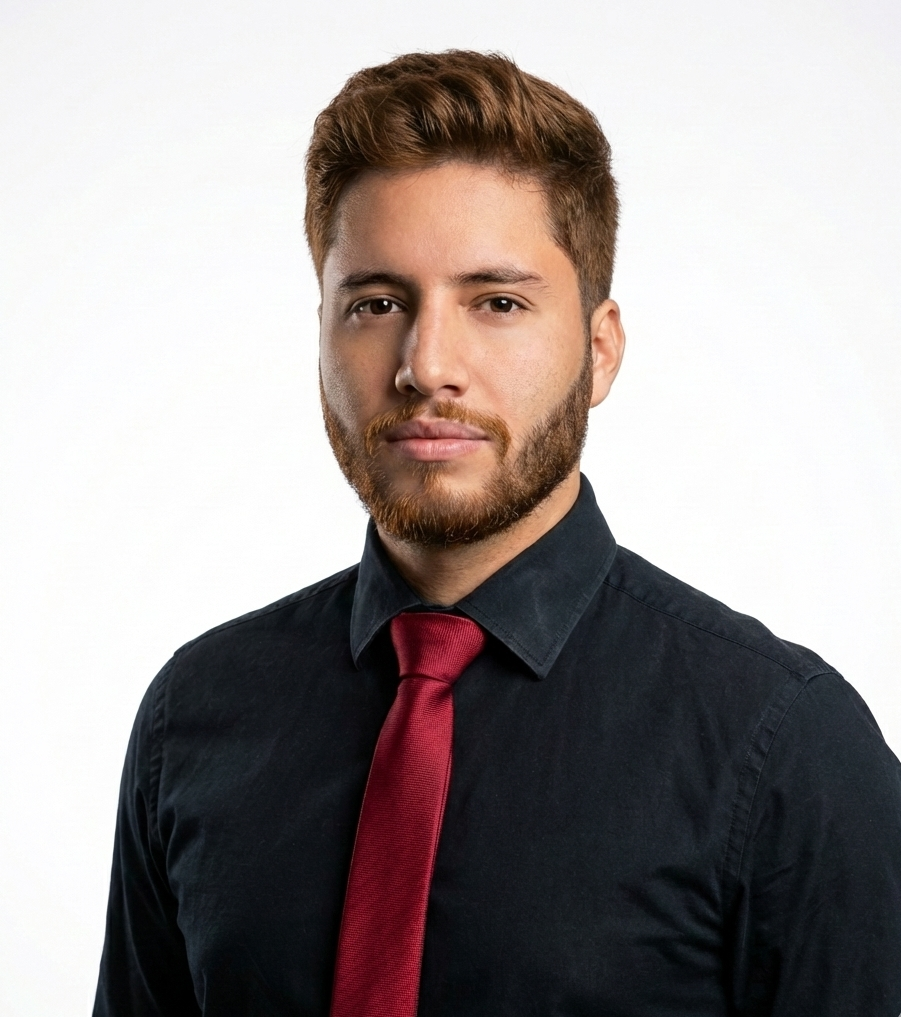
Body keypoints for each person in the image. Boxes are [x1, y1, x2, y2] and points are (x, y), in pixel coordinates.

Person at [93, 50, 901, 1017]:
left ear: (598, 351)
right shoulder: (196, 716)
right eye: (378, 303)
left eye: (498, 303)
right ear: (322, 335)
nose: (428, 364)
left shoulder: (784, 746)